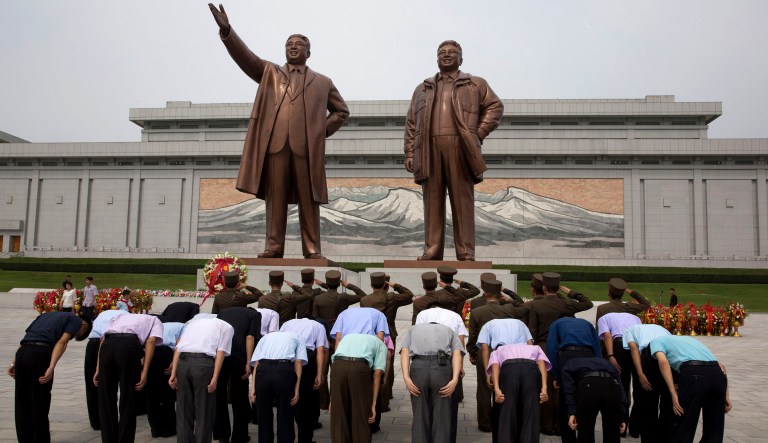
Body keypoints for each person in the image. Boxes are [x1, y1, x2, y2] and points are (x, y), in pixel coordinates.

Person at [209, 4, 349, 259]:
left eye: (298, 44)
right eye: (289, 44)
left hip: (305, 149)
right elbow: (246, 57)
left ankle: (312, 249)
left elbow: (341, 112)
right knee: (275, 200)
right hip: (275, 147)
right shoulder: (269, 73)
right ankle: (274, 247)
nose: (293, 47)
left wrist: (318, 132)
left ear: (309, 51)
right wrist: (228, 31)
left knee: (309, 200)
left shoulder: (323, 82)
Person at [404, 40, 503, 261]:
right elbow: (411, 123)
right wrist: (410, 153)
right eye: (442, 52)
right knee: (432, 202)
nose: (447, 55)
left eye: (452, 52)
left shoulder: (475, 84)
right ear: (436, 58)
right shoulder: (423, 88)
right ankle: (432, 250)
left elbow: (495, 107)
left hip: (461, 148)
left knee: (462, 201)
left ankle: (466, 251)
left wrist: (477, 133)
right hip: (429, 150)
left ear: (461, 58)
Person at [527, 272, 593, 435]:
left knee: (545, 387)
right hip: (562, 348)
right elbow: (587, 303)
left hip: (543, 347)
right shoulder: (566, 303)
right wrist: (571, 292)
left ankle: (546, 425)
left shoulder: (535, 305)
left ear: (544, 288)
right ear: (558, 288)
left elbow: (532, 330)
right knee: (563, 387)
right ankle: (560, 424)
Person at [9, 312, 92, 443]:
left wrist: (14, 363)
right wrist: (51, 367)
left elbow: (25, 338)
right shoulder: (76, 320)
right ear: (84, 324)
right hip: (40, 355)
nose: (75, 334)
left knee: (22, 401)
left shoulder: (44, 316)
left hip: (22, 353)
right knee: (39, 401)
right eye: (79, 333)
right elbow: (62, 342)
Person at [466, 277, 529, 433]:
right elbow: (524, 306)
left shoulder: (477, 311)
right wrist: (508, 294)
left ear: (485, 293)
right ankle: (502, 419)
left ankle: (485, 423)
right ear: (500, 294)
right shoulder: (509, 309)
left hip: (485, 351)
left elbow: (473, 336)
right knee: (504, 387)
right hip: (506, 353)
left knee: (484, 389)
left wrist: (473, 353)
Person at [94, 313, 164, 443]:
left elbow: (103, 339)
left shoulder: (120, 316)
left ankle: (108, 439)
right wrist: (145, 371)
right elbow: (151, 341)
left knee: (106, 398)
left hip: (108, 346)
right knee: (128, 397)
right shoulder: (155, 320)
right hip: (128, 345)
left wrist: (98, 368)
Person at [650, 336, 731, 443]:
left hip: (693, 373)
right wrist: (726, 395)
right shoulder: (691, 340)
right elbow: (722, 366)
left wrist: (673, 393)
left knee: (685, 422)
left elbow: (663, 362)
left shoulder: (655, 341)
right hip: (717, 375)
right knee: (714, 426)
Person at [169, 316, 234, 443]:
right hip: (203, 364)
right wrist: (215, 377)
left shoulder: (193, 324)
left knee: (183, 411)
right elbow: (220, 352)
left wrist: (173, 373)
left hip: (183, 363)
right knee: (204, 411)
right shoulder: (226, 327)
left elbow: (179, 347)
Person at [400, 322, 463, 443]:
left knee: (419, 412)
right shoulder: (448, 329)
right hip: (441, 368)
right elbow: (457, 353)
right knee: (442, 412)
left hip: (418, 367)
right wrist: (455, 379)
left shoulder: (413, 329)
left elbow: (404, 351)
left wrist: (406, 376)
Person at [546, 317, 601, 443]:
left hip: (568, 357)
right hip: (589, 356)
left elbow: (552, 348)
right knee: (586, 397)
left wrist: (555, 375)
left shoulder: (556, 323)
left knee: (566, 397)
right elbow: (596, 346)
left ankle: (568, 438)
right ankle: (585, 436)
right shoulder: (587, 323)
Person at [250, 330, 307, 443]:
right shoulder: (297, 336)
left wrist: (253, 387)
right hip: (284, 370)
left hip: (263, 370)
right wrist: (297, 387)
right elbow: (298, 362)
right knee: (286, 413)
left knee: (263, 415)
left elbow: (257, 363)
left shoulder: (266, 337)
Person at [214, 307, 262, 443]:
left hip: (221, 354)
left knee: (219, 395)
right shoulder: (255, 314)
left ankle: (222, 434)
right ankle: (239, 436)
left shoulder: (224, 312)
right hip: (239, 357)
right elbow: (250, 337)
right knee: (239, 397)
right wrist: (248, 362)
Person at [330, 333, 387, 443]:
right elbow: (378, 372)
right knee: (361, 415)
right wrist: (373, 404)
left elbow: (335, 361)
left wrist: (333, 397)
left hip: (337, 366)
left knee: (339, 418)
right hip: (359, 368)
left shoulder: (348, 336)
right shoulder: (380, 344)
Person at [488, 343, 550, 443]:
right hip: (531, 371)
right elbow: (541, 362)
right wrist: (544, 387)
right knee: (531, 413)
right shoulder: (535, 347)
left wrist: (496, 388)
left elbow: (495, 365)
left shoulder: (499, 349)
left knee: (507, 413)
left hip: (509, 371)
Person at [279, 318, 328, 443]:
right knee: (306, 402)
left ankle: (286, 438)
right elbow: (321, 350)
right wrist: (320, 373)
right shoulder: (318, 325)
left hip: (287, 358)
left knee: (287, 400)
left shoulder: (287, 323)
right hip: (306, 359)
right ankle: (305, 439)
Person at [622, 323, 672, 442]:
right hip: (666, 355)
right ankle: (663, 435)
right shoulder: (662, 328)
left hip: (649, 354)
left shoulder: (628, 329)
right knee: (667, 401)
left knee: (649, 399)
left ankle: (647, 435)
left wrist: (640, 374)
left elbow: (634, 348)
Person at [561, 357, 627, 443]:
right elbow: (620, 390)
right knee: (612, 433)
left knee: (585, 430)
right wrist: (621, 417)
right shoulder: (607, 363)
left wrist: (572, 412)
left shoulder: (571, 363)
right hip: (611, 385)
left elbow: (569, 389)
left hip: (589, 385)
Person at [84, 309, 130, 431]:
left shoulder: (102, 314)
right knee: (110, 383)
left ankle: (96, 421)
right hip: (109, 343)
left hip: (92, 344)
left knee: (92, 383)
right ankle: (110, 419)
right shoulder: (127, 316)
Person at [596, 312, 642, 435]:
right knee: (639, 388)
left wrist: (610, 355)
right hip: (635, 347)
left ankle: (621, 425)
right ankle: (635, 428)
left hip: (619, 346)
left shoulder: (604, 318)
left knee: (621, 386)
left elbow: (607, 336)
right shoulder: (635, 317)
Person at [146, 321, 184, 439]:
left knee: (151, 394)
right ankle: (168, 429)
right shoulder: (183, 326)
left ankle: (155, 429)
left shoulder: (158, 324)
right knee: (167, 394)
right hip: (166, 354)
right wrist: (174, 362)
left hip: (151, 352)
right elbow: (180, 345)